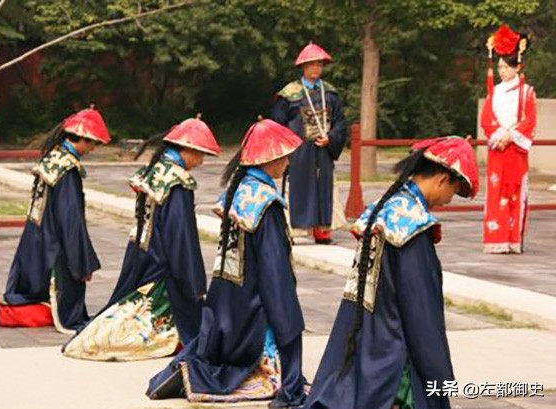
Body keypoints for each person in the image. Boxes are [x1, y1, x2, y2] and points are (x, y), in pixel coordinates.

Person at [303, 137, 479, 409]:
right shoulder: (413, 228)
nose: (448, 200)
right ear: (443, 179)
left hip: (366, 344)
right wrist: (439, 373)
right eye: (453, 191)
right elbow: (421, 312)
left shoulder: (385, 210)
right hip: (393, 356)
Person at [146, 119, 306, 408]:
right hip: (255, 298)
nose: (286, 162)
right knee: (283, 329)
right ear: (270, 158)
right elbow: (272, 265)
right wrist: (286, 310)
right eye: (283, 156)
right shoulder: (266, 201)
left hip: (230, 293)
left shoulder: (240, 189)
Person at [62, 116, 221, 361]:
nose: (200, 162)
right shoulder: (177, 182)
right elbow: (180, 237)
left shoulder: (155, 171)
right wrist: (193, 280)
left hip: (142, 250)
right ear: (188, 149)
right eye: (200, 155)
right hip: (163, 262)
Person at [0, 107, 110, 333]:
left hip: (36, 241)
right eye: (91, 143)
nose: (92, 148)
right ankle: (0, 313)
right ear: (80, 138)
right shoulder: (67, 171)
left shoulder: (52, 158)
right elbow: (71, 222)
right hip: (54, 247)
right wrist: (81, 263)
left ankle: (2, 310)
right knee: (63, 311)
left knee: (37, 296)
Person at [270, 42, 347, 244]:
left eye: (319, 65)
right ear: (303, 66)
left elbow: (340, 122)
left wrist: (331, 139)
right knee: (296, 186)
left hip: (323, 149)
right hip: (298, 151)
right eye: (312, 64)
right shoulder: (289, 94)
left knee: (325, 186)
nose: (316, 69)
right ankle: (294, 232)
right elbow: (278, 124)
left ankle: (323, 231)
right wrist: (285, 148)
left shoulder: (330, 93)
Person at [481, 25, 536, 254]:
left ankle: (513, 240)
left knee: (513, 192)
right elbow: (487, 118)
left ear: (517, 67)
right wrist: (497, 136)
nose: (502, 71)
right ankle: (496, 240)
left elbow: (529, 121)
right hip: (497, 148)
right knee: (496, 193)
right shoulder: (494, 91)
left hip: (514, 149)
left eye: (506, 67)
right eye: (500, 66)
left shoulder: (527, 92)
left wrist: (509, 136)